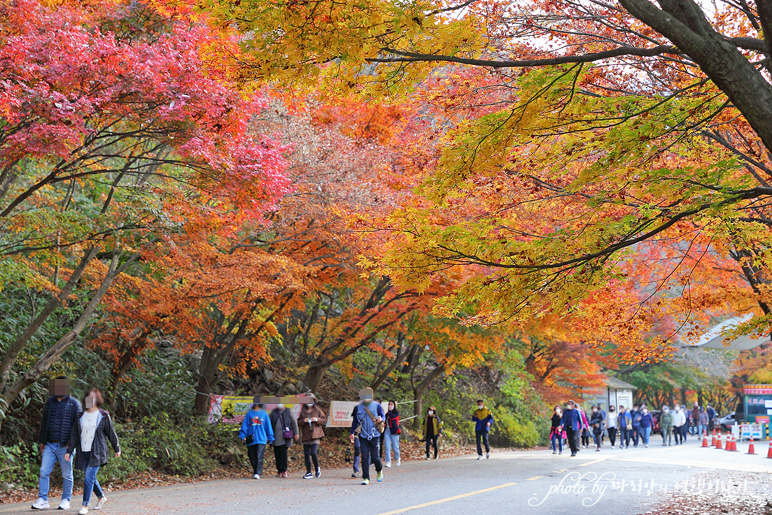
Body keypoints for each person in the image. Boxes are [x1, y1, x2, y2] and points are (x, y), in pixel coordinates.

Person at [64, 389, 120, 515]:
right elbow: (74, 435)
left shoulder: (103, 416)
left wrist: (117, 448)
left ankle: (85, 505)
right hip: (83, 451)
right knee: (90, 477)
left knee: (88, 477)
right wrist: (69, 450)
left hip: (98, 451)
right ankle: (101, 497)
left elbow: (111, 433)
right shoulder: (80, 416)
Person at [32, 376, 82, 511]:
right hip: (50, 444)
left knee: (67, 474)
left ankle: (66, 499)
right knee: (43, 471)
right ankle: (43, 499)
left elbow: (78, 426)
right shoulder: (50, 402)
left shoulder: (74, 404)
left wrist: (71, 445)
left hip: (65, 446)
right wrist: (42, 441)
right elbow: (44, 423)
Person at [350, 388, 385, 485]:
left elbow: (383, 416)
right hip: (363, 435)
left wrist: (380, 419)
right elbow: (355, 421)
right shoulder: (357, 408)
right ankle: (366, 478)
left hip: (374, 434)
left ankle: (379, 470)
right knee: (364, 456)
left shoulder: (377, 405)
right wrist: (352, 433)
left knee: (375, 457)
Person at [238, 400, 274, 480]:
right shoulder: (249, 413)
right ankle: (255, 470)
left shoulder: (264, 414)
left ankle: (257, 472)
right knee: (251, 456)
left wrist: (271, 438)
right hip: (251, 439)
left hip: (261, 439)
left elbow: (268, 427)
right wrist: (242, 436)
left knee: (259, 455)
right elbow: (245, 425)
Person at [298, 394, 326, 479]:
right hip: (306, 434)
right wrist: (304, 421)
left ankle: (317, 468)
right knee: (306, 454)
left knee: (313, 452)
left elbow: (324, 420)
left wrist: (317, 419)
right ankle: (308, 472)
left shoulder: (317, 410)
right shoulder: (302, 411)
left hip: (316, 434)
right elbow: (298, 422)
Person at [270, 403, 299, 478]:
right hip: (275, 437)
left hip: (285, 437)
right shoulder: (274, 412)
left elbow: (294, 422)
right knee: (277, 454)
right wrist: (268, 435)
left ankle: (284, 470)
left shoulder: (288, 411)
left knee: (283, 454)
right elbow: (269, 423)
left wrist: (296, 433)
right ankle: (279, 470)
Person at [384, 400, 401, 467]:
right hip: (387, 430)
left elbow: (392, 417)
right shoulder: (387, 413)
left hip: (394, 431)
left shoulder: (396, 413)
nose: (390, 406)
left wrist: (390, 411)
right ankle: (388, 461)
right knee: (387, 447)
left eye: (391, 404)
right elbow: (384, 419)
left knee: (395, 447)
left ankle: (397, 458)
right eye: (389, 404)